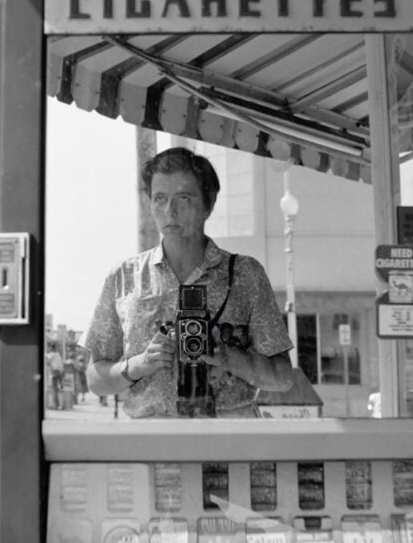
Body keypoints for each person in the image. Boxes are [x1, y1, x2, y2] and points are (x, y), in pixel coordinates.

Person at [83, 146, 294, 418]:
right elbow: (95, 379)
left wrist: (228, 357)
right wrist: (139, 365)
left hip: (231, 437)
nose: (169, 210)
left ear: (208, 203)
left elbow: (283, 377)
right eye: (159, 198)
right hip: (154, 441)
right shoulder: (124, 278)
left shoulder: (244, 275)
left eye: (183, 198)